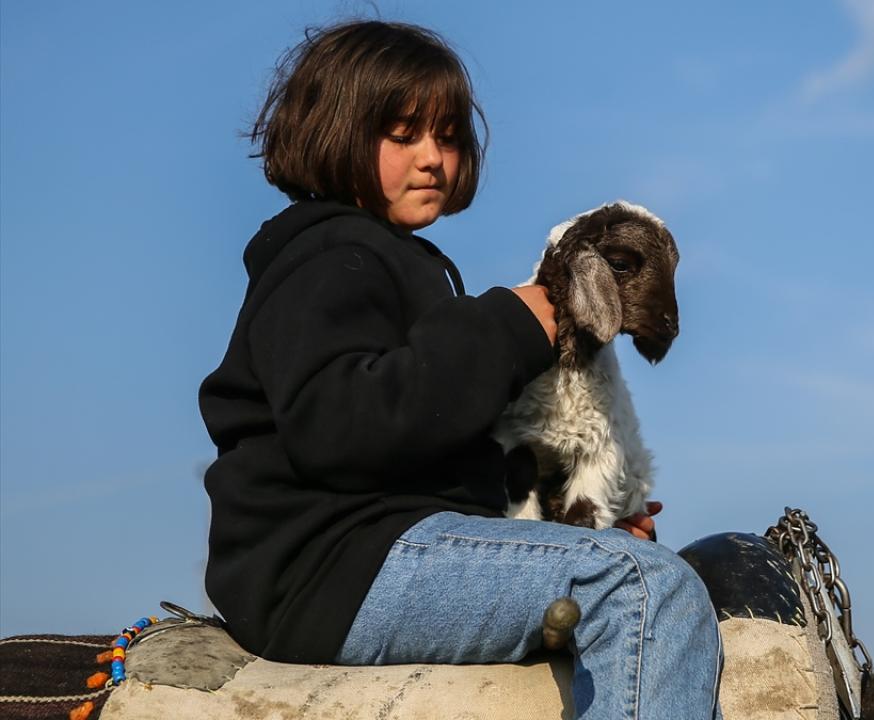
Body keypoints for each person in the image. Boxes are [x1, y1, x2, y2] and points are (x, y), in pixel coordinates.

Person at [198, 19, 723, 719]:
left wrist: (574, 532)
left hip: (388, 548)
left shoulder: (398, 265)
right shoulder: (327, 259)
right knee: (648, 589)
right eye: (403, 133)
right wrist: (507, 325)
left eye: (447, 136)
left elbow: (435, 458)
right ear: (334, 130)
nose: (432, 159)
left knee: (633, 564)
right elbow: (340, 425)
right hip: (333, 565)